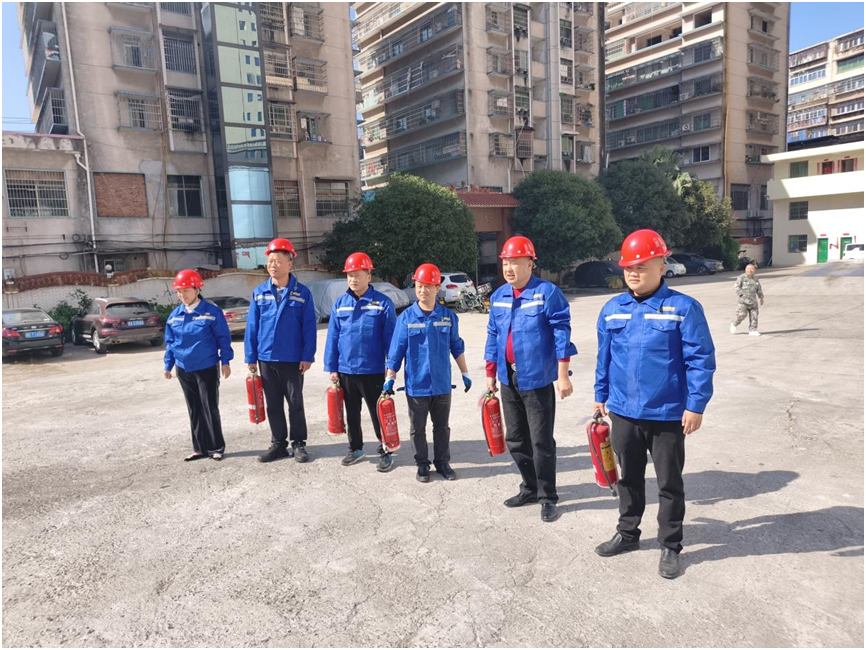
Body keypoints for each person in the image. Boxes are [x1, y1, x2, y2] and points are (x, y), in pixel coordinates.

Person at [593, 229, 716, 579]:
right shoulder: (612, 309)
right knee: (628, 479)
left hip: (667, 414)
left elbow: (700, 360)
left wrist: (696, 405)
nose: (633, 272)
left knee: (669, 484)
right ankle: (628, 533)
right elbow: (604, 357)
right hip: (623, 412)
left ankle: (670, 545)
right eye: (629, 267)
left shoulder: (684, 308)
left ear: (662, 267)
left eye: (642, 266)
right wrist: (601, 395)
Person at [484, 236, 577, 523]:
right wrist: (490, 373)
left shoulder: (547, 293)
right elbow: (493, 334)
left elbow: (561, 333)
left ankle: (548, 497)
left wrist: (563, 375)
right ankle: (530, 487)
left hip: (537, 379)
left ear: (530, 264)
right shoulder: (499, 296)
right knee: (515, 439)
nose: (508, 268)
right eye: (505, 262)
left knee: (541, 442)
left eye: (515, 262)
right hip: (507, 377)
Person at [385, 263, 470, 483]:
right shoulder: (406, 318)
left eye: (428, 286)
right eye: (419, 286)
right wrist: (390, 377)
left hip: (442, 384)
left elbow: (456, 347)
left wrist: (465, 373)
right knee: (418, 429)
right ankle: (422, 464)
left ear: (436, 288)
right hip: (417, 385)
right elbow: (396, 351)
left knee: (442, 427)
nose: (423, 290)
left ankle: (442, 463)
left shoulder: (448, 317)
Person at [245, 238, 317, 463]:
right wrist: (251, 357)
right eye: (270, 261)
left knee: (295, 403)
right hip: (266, 358)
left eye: (277, 261)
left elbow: (309, 327)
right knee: (273, 404)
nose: (273, 265)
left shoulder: (302, 293)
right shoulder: (259, 293)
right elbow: (252, 327)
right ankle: (278, 444)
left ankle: (298, 443)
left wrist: (307, 356)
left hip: (292, 359)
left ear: (289, 264)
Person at [323, 252, 397, 472]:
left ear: (369, 276)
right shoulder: (340, 304)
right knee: (352, 413)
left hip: (373, 371)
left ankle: (385, 450)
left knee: (377, 413)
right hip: (346, 370)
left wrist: (391, 369)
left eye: (357, 275)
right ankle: (355, 448)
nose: (353, 279)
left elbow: (391, 340)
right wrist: (332, 367)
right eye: (349, 275)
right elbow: (333, 337)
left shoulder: (382, 304)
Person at [163, 269, 233, 461]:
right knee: (193, 408)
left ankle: (216, 447)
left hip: (206, 366)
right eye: (179, 291)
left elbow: (223, 338)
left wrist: (225, 361)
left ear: (197, 289)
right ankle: (199, 448)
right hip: (184, 368)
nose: (182, 295)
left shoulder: (211, 312)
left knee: (209, 406)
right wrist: (168, 365)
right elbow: (171, 342)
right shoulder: (175, 315)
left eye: (186, 290)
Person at [730, 263, 765, 336]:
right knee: (741, 315)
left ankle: (753, 330)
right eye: (748, 269)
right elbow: (736, 286)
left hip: (753, 301)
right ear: (745, 270)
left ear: (754, 270)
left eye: (752, 269)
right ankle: (734, 324)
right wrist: (741, 293)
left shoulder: (755, 278)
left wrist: (761, 297)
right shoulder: (741, 277)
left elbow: (759, 289)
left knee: (754, 316)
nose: (750, 270)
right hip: (743, 301)